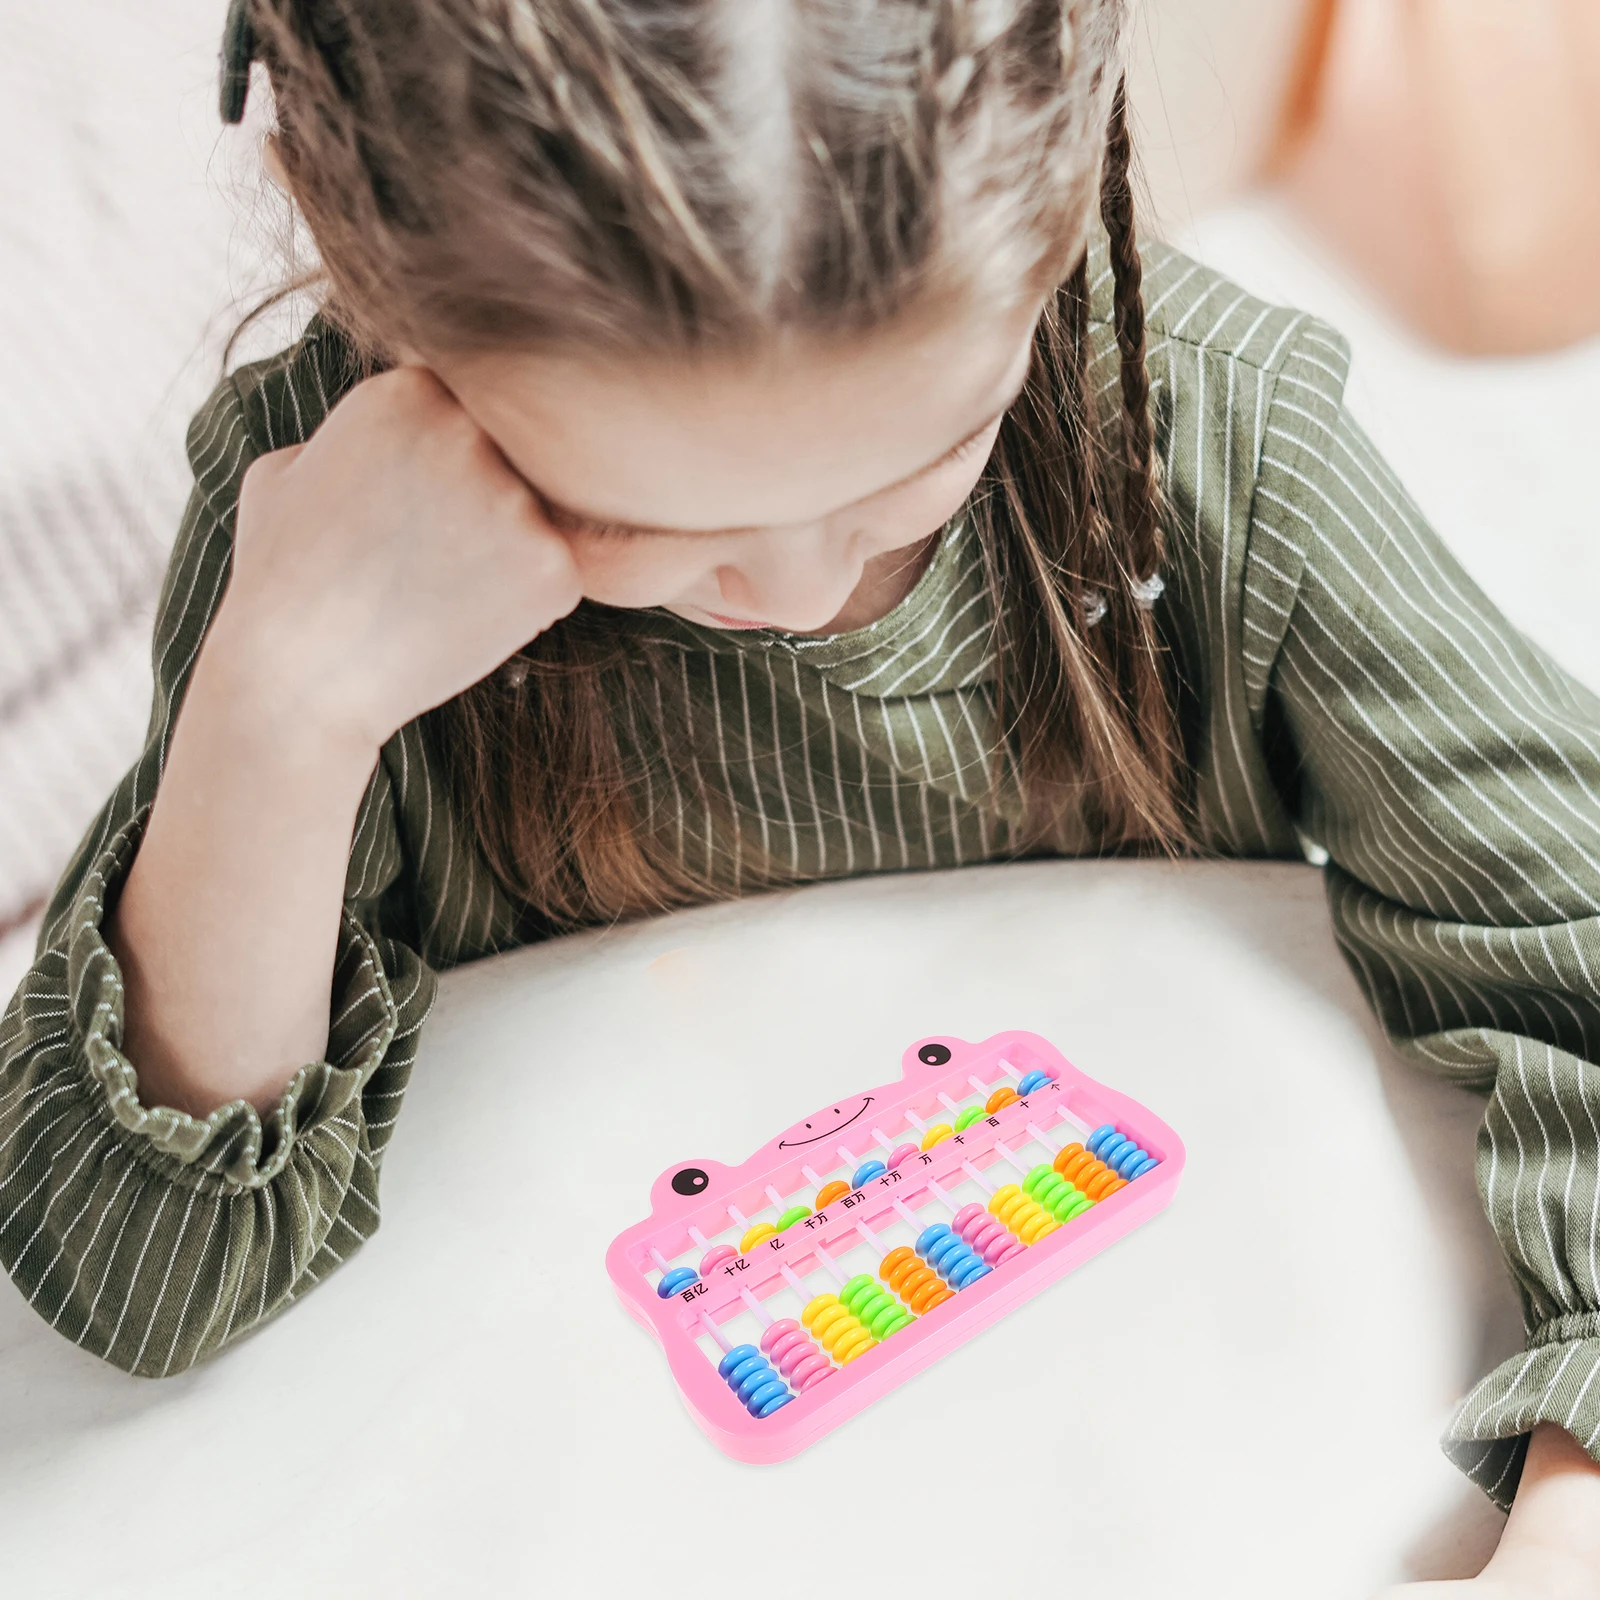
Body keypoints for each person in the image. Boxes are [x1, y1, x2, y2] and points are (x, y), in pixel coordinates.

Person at [3, 1, 1598, 1584]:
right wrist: (285, 713)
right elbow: (141, 1287)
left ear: (1049, 225)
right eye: (619, 518)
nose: (794, 578)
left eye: (916, 460)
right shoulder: (322, 536)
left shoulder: (1216, 438)